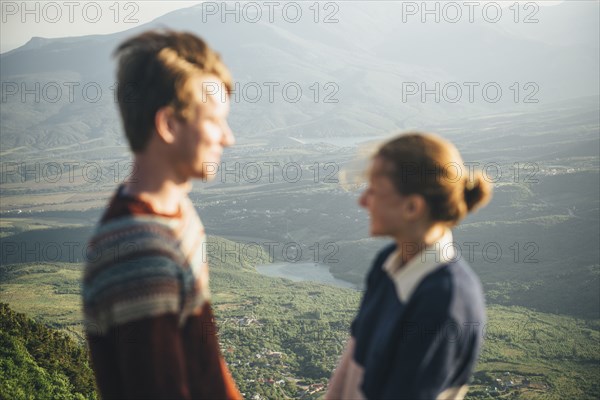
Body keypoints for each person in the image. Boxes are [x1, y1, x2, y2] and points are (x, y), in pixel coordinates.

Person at [82, 30, 241, 399]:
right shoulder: (140, 251)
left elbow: (204, 362)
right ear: (168, 124)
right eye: (215, 122)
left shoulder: (174, 212)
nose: (228, 138)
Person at [326, 133, 492, 400]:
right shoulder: (388, 263)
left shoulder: (445, 301)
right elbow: (352, 359)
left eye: (374, 191)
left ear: (413, 207)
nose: (363, 201)